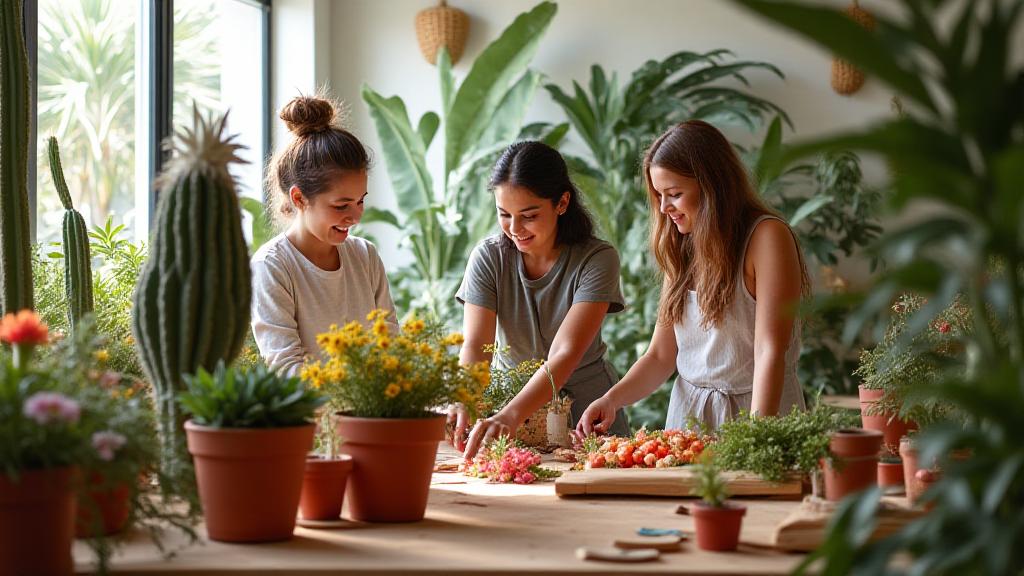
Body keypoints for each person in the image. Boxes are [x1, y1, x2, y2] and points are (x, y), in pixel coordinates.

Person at [578, 120, 809, 435]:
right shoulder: (680, 245)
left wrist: (756, 438)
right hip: (689, 421)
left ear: (712, 185)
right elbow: (661, 355)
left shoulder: (767, 237)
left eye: (674, 194)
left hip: (760, 413)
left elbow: (770, 351)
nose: (664, 208)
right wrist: (611, 399)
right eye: (659, 195)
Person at [452, 140, 630, 459]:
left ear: (562, 203)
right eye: (504, 214)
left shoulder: (597, 259)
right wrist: (464, 397)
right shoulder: (488, 258)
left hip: (588, 420)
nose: (515, 228)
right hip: (511, 419)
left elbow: (565, 352)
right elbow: (477, 345)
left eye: (529, 215)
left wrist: (510, 414)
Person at [251, 95, 396, 376]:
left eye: (360, 201)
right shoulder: (271, 266)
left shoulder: (364, 256)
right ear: (299, 198)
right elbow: (286, 368)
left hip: (372, 414)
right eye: (341, 205)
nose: (355, 216)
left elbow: (389, 348)